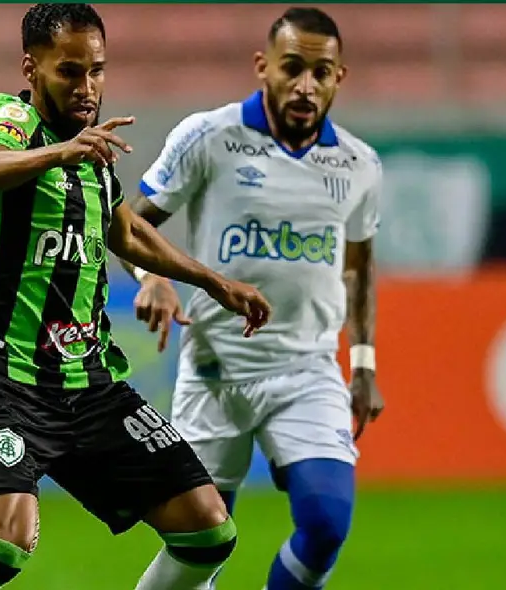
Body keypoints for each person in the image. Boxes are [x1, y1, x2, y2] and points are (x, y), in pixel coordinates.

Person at [0, 4, 273, 590]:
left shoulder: (93, 160)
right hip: (1, 377)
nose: (87, 87)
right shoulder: (11, 117)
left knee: (208, 530)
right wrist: (63, 151)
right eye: (70, 71)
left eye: (97, 71)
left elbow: (127, 232)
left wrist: (213, 282)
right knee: (2, 544)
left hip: (87, 384)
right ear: (31, 67)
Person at [119, 7, 385, 589]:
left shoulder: (360, 165)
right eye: (293, 68)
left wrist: (362, 363)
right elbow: (131, 227)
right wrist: (152, 279)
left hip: (308, 369)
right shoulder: (209, 138)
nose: (305, 85)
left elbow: (358, 269)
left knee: (326, 523)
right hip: (216, 371)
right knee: (200, 545)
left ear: (341, 77)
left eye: (322, 72)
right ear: (263, 67)